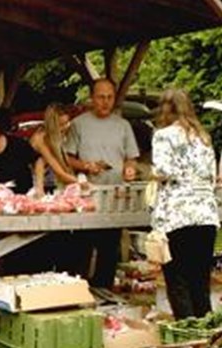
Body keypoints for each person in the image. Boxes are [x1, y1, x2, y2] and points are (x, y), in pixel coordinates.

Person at [150, 88, 220, 320]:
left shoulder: (163, 135)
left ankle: (188, 336)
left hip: (178, 216)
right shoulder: (203, 137)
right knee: (200, 281)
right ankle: (208, 335)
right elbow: (212, 176)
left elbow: (163, 170)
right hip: (206, 215)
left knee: (178, 281)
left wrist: (150, 173)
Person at [64, 77, 140, 287]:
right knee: (82, 249)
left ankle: (104, 291)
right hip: (87, 198)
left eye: (109, 97)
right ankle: (77, 290)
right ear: (92, 98)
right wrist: (86, 166)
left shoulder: (123, 125)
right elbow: (67, 158)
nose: (105, 102)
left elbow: (131, 157)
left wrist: (130, 168)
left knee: (109, 249)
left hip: (114, 198)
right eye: (101, 97)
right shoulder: (79, 124)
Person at [31, 103, 77, 195]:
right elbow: (59, 171)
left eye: (66, 123)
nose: (64, 128)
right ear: (52, 124)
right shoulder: (40, 139)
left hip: (49, 184)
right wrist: (80, 182)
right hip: (36, 186)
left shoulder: (56, 138)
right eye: (61, 125)